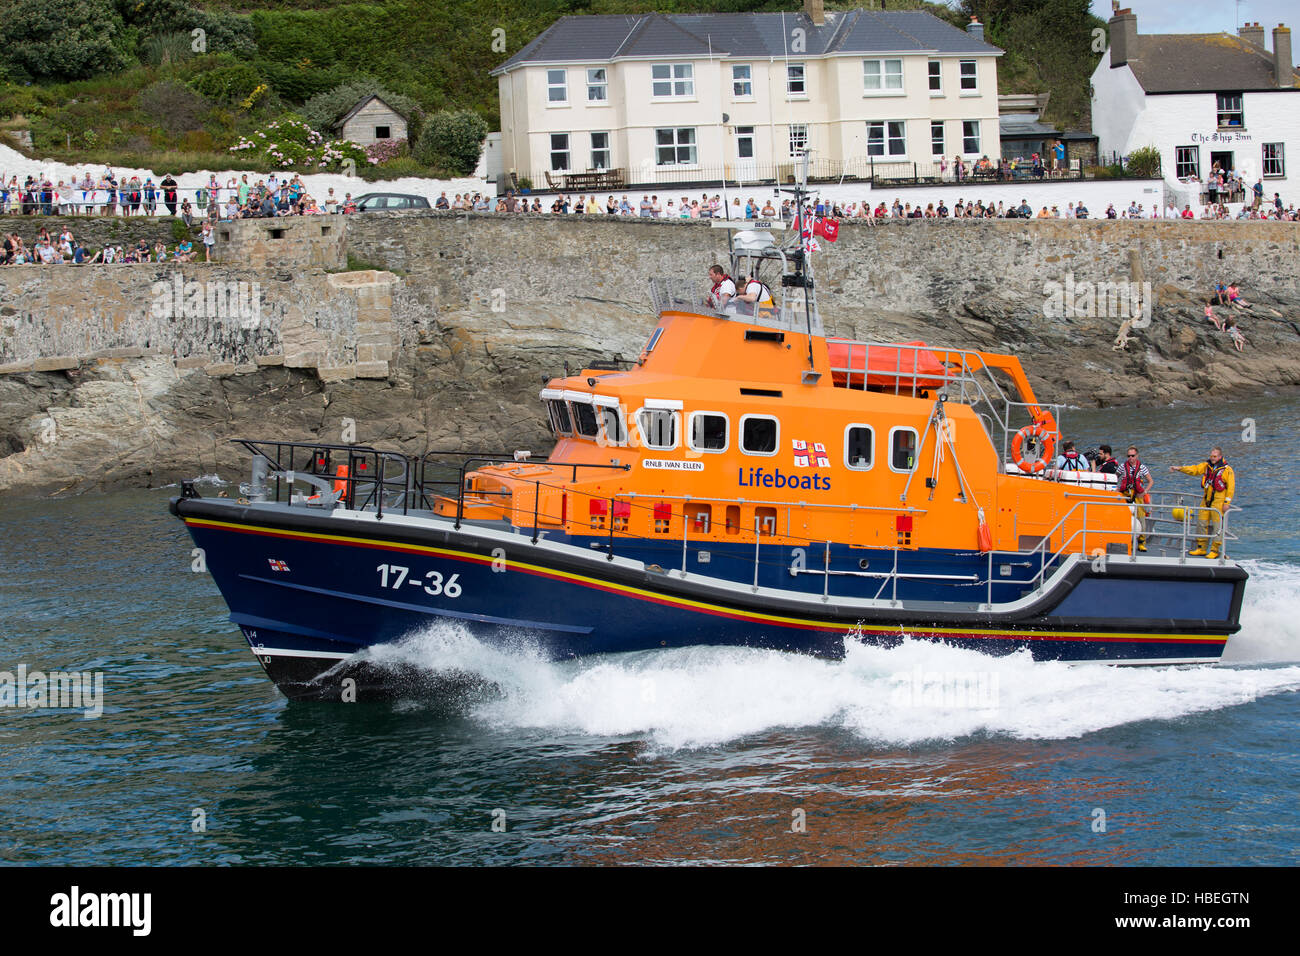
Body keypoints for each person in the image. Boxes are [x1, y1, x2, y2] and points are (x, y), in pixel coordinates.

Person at [1169, 447, 1234, 558]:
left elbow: (1231, 488)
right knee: (1201, 523)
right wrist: (1179, 468)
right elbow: (1194, 470)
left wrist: (1227, 502)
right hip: (1206, 499)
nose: (1212, 458)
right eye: (1211, 456)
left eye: (1214, 456)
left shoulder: (1227, 470)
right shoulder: (1206, 466)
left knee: (1218, 525)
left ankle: (1215, 549)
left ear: (1219, 457)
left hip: (1219, 500)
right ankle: (1201, 548)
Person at [1118, 445, 1153, 552]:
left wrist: (1145, 492)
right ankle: (1127, 541)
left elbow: (1151, 481)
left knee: (1141, 519)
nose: (1130, 458)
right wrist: (1116, 489)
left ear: (1137, 456)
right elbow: (1115, 477)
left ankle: (1141, 543)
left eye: (1132, 456)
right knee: (1125, 519)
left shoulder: (1142, 467)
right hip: (1125, 496)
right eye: (1128, 456)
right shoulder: (1122, 467)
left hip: (1137, 496)